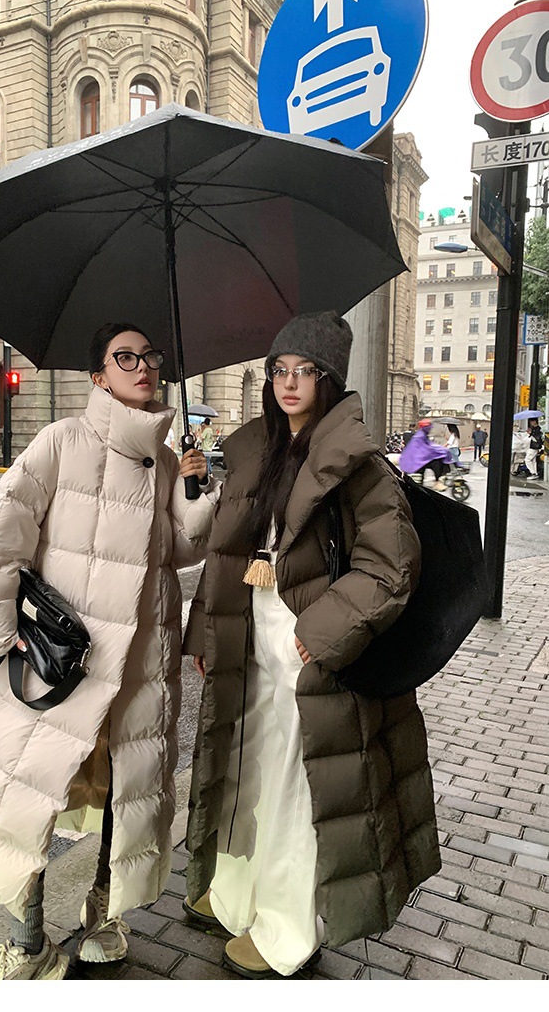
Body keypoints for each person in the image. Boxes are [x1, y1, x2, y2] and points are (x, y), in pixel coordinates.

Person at [0, 323, 219, 981]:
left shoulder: (165, 460)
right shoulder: (62, 441)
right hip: (62, 664)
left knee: (123, 794)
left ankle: (104, 914)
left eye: (150, 356)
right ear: (98, 376)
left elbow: (183, 551)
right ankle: (28, 941)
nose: (143, 366)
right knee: (32, 794)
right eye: (125, 357)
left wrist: (196, 491)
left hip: (139, 666)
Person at [182, 311, 440, 979]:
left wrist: (317, 634)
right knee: (249, 770)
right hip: (250, 643)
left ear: (329, 380)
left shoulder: (359, 465)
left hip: (309, 652)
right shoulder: (257, 451)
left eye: (305, 371)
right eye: (280, 370)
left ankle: (287, 929)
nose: (289, 382)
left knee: (299, 788)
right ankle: (238, 897)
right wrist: (207, 630)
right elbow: (224, 553)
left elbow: (391, 567)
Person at [398, 419, 452, 490]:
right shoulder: (420, 436)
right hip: (415, 461)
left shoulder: (423, 435)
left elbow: (429, 446)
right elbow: (425, 449)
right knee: (436, 463)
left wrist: (440, 450)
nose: (430, 429)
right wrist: (439, 451)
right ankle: (437, 482)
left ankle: (436, 481)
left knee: (437, 460)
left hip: (419, 459)